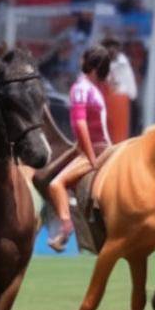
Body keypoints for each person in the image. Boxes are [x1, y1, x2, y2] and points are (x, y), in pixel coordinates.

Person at [47, 45, 112, 252]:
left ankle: (66, 229)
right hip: (104, 147)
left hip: (95, 150)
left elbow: (81, 125)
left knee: (56, 184)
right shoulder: (95, 91)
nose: (80, 60)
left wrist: (91, 159)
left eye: (84, 58)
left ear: (91, 65)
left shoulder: (80, 88)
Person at [101, 37, 138, 143]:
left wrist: (123, 91)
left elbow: (131, 90)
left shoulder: (123, 65)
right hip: (102, 102)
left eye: (114, 47)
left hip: (119, 103)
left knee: (119, 138)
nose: (111, 50)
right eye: (108, 47)